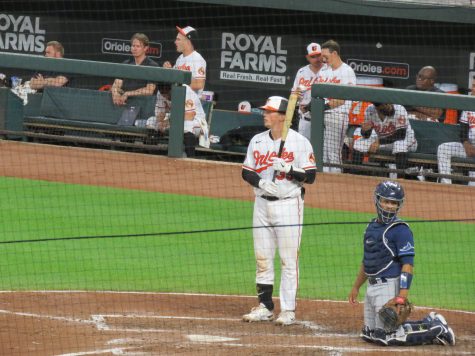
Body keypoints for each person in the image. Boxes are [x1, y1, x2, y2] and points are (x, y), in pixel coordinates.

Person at [348, 181, 456, 346]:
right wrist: (356, 287)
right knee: (370, 334)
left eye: (394, 203)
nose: (390, 206)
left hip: (389, 286)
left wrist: (402, 296)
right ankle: (429, 321)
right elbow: (367, 261)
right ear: (377, 200)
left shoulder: (401, 230)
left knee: (389, 337)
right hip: (371, 287)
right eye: (386, 201)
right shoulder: (370, 227)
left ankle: (438, 330)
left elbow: (408, 265)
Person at [241, 96, 316, 326]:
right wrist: (261, 183)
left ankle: (288, 310)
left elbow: (311, 177)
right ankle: (265, 306)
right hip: (261, 204)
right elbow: (247, 171)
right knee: (262, 257)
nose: (264, 114)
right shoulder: (257, 140)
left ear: (283, 116)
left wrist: (289, 169)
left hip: (288, 205)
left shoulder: (300, 142)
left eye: (269, 111)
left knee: (288, 260)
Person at [317, 39, 356, 173]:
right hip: (320, 115)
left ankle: (335, 185)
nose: (323, 59)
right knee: (321, 153)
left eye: (325, 56)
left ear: (334, 53)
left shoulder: (347, 71)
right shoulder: (323, 71)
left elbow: (343, 99)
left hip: (338, 116)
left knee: (333, 154)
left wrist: (324, 106)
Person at [351, 103, 417, 178]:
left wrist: (379, 142)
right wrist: (364, 131)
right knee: (359, 143)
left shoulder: (399, 109)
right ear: (377, 107)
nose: (388, 106)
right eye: (385, 104)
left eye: (388, 103)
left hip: (407, 141)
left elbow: (401, 135)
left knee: (399, 145)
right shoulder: (370, 110)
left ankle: (401, 178)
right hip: (385, 142)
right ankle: (354, 175)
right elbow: (366, 135)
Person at [151, 84, 209, 157]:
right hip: (175, 119)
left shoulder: (185, 90)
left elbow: (190, 116)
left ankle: (191, 158)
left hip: (197, 121)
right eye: (163, 93)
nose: (165, 96)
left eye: (167, 93)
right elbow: (160, 114)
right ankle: (154, 155)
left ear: (172, 89)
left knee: (186, 125)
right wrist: (160, 122)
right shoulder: (160, 92)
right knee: (151, 121)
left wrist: (168, 122)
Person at [437, 79, 475, 185]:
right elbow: (463, 129)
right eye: (472, 85)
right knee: (443, 148)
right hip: (469, 148)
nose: (472, 89)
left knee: (472, 188)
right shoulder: (470, 105)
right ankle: (446, 184)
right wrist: (466, 143)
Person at [111, 33, 158, 106]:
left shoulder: (152, 65)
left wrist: (128, 93)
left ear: (145, 48)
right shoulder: (126, 63)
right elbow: (116, 85)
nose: (134, 48)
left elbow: (149, 90)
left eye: (138, 46)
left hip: (144, 105)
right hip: (124, 104)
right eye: (133, 46)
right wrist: (115, 94)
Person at [291, 42, 326, 140]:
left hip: (324, 120)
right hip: (306, 120)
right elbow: (293, 95)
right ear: (307, 57)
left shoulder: (329, 70)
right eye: (313, 56)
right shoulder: (302, 72)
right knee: (303, 151)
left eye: (318, 55)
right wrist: (297, 99)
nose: (317, 59)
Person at [163, 26, 206, 96]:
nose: (175, 42)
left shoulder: (197, 59)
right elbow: (174, 78)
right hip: (179, 99)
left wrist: (179, 80)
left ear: (188, 42)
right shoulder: (180, 58)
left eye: (178, 39)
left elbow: (199, 84)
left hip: (192, 103)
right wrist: (169, 70)